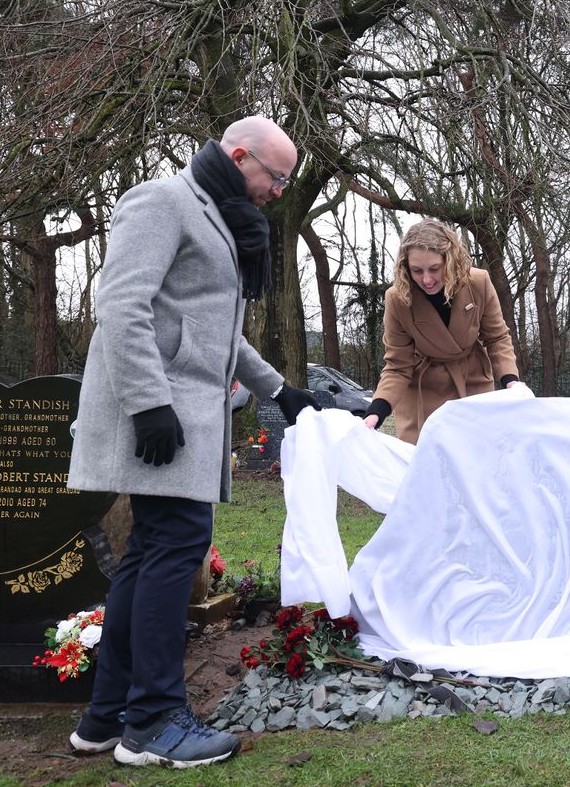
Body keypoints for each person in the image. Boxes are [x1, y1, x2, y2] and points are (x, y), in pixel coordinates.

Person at [66, 116, 321, 766]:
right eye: (276, 176)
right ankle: (153, 721)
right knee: (173, 548)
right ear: (240, 157)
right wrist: (149, 402)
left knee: (151, 552)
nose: (279, 191)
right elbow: (121, 304)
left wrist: (279, 391)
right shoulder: (163, 202)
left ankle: (109, 714)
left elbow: (215, 333)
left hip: (182, 421)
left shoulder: (219, 219)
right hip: (160, 421)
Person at [363, 219, 522, 443]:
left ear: (449, 261)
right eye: (417, 271)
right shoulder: (397, 299)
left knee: (478, 461)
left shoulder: (478, 282)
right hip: (424, 390)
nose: (426, 280)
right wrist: (377, 409)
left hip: (473, 385)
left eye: (434, 269)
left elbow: (497, 337)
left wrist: (509, 379)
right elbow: (398, 366)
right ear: (405, 267)